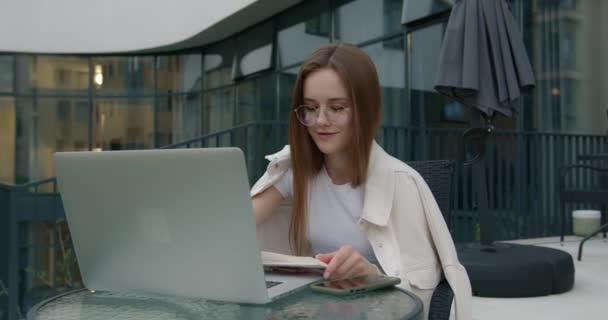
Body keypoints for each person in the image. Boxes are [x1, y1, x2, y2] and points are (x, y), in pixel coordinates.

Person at [250, 43, 471, 320]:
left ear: (365, 111)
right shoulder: (296, 170)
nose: (321, 121)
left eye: (337, 107)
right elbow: (235, 225)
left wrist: (372, 274)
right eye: (310, 108)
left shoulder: (402, 184)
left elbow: (423, 296)